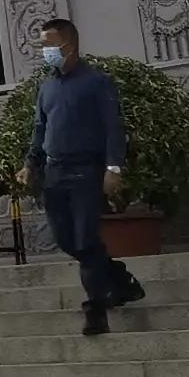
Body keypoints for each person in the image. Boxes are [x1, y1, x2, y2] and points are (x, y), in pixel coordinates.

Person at [24, 19, 146, 336]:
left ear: (69, 45)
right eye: (43, 45)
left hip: (85, 171)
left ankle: (96, 307)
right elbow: (40, 129)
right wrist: (30, 164)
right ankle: (120, 280)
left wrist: (113, 168)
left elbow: (112, 128)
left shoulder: (96, 82)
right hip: (54, 172)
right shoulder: (46, 87)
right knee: (67, 240)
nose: (46, 51)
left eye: (50, 45)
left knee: (85, 238)